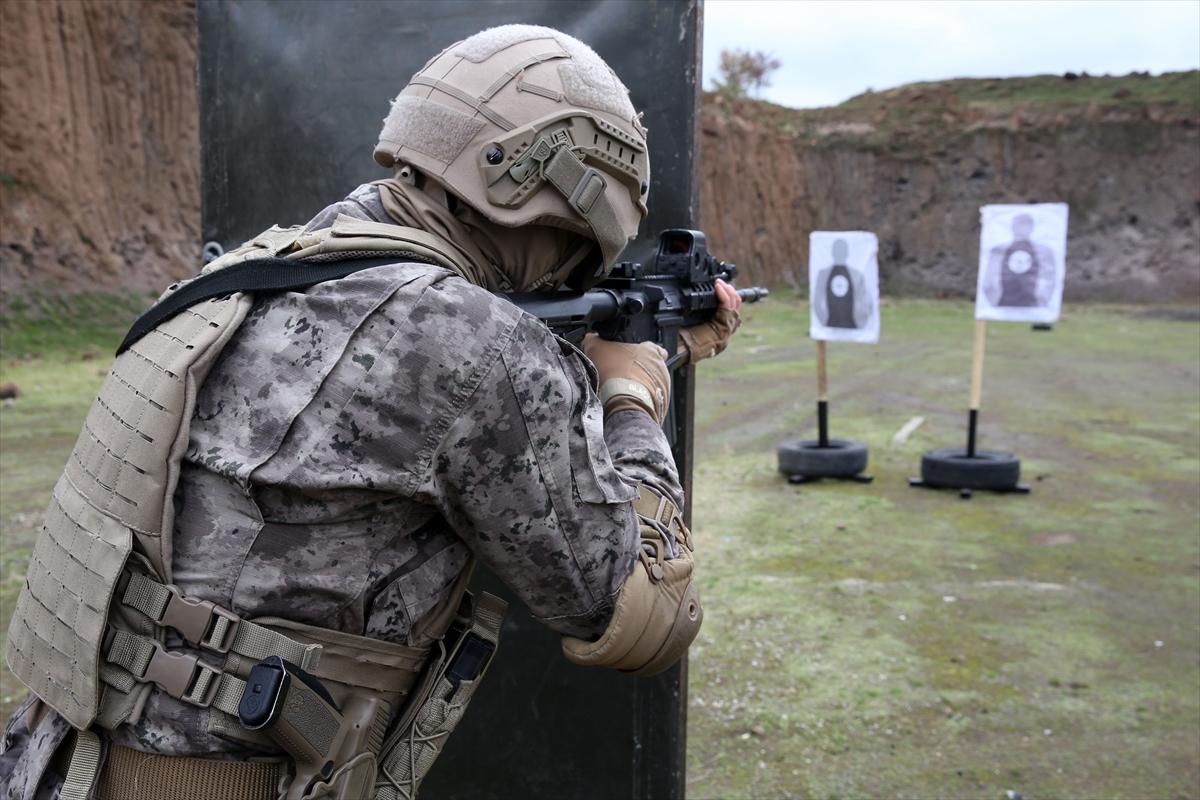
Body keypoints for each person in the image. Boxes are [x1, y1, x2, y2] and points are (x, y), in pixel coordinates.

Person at [1, 24, 740, 800]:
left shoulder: (240, 277)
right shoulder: (469, 340)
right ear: (568, 199)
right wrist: (633, 390)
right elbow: (648, 615)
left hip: (51, 771)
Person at [981, 213, 1057, 308]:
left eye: (1024, 225)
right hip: (1002, 301)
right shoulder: (998, 250)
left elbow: (1050, 280)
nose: (1021, 229)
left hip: (1033, 303)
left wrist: (1042, 300)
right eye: (1019, 225)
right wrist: (993, 301)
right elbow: (987, 282)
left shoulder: (1044, 251)